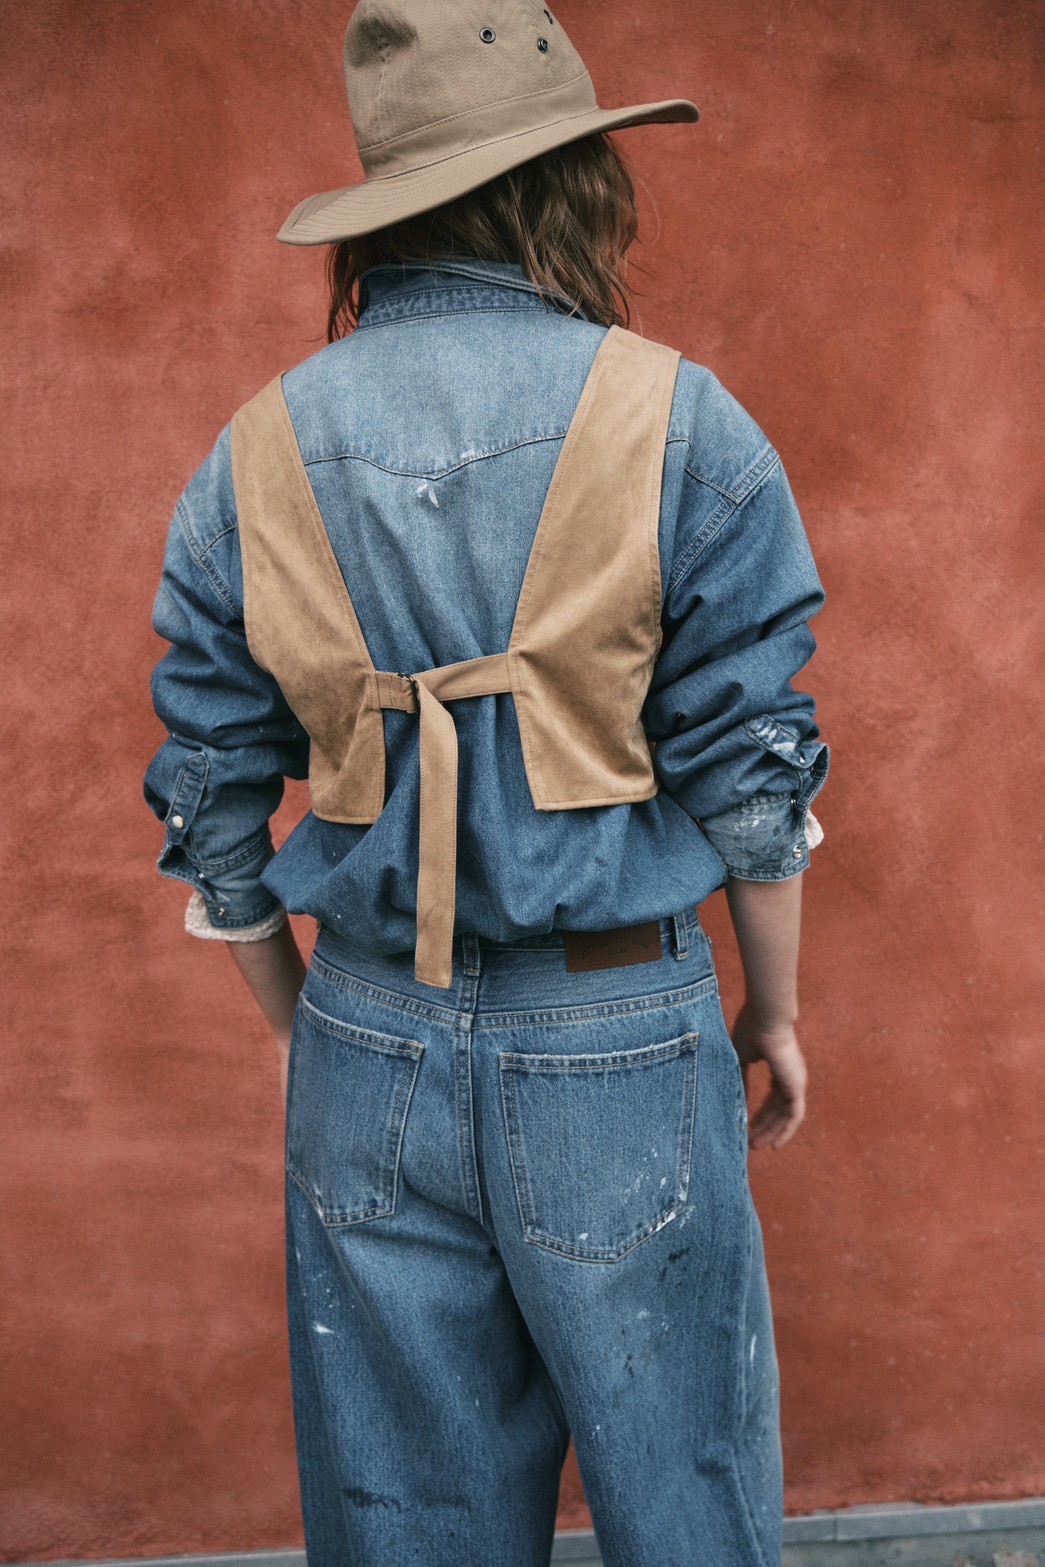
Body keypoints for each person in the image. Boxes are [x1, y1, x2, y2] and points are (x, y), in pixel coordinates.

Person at [143, 4, 830, 1564]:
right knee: (687, 1500)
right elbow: (750, 776)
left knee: (402, 1523)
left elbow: (213, 808)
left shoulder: (254, 452)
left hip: (363, 1032)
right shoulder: (677, 420)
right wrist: (774, 1014)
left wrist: (310, 1030)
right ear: (567, 183)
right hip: (614, 1024)